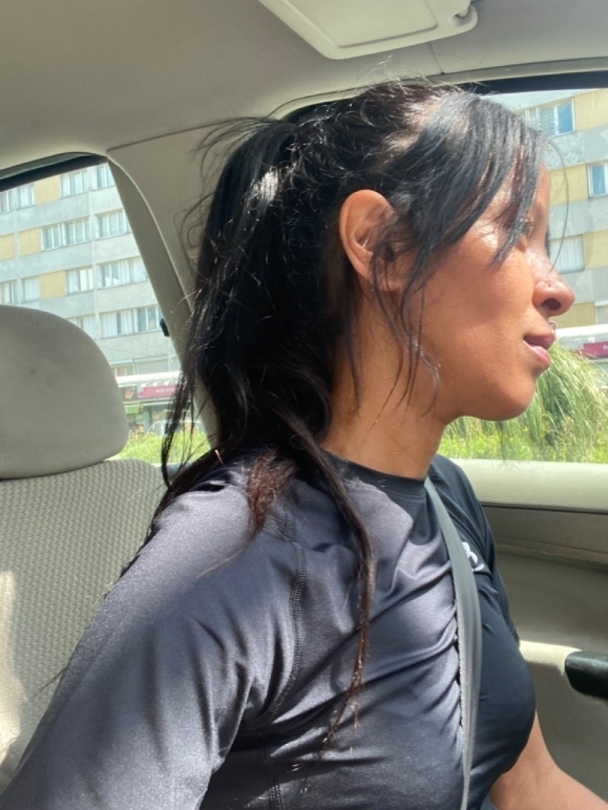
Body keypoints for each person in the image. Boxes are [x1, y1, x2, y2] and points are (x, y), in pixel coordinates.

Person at [1, 82, 605, 810]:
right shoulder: (232, 553)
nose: (557, 289)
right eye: (516, 231)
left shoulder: (446, 500)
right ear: (381, 245)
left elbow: (529, 784)